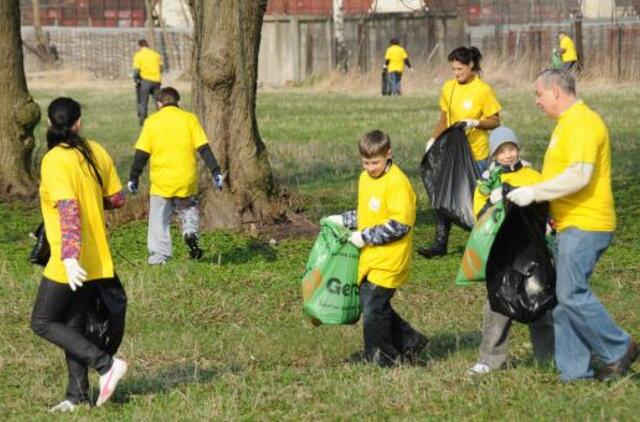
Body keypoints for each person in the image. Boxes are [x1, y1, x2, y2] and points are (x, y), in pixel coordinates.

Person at [507, 69, 637, 381]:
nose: (537, 102)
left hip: (587, 223)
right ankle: (575, 373)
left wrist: (535, 193)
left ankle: (619, 348)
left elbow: (579, 176)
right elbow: (563, 177)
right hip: (569, 222)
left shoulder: (582, 123)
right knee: (565, 301)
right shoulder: (567, 125)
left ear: (555, 92)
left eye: (538, 94)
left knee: (572, 294)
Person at [31, 97, 128, 412]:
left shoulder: (54, 160)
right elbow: (116, 199)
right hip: (96, 257)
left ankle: (105, 365)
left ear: (50, 123)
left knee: (43, 321)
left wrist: (69, 257)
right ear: (79, 122)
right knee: (71, 323)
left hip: (69, 260)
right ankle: (76, 396)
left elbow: (69, 210)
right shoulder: (95, 151)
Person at [326, 130, 427, 367]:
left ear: (388, 154)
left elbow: (401, 225)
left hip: (390, 260)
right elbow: (368, 213)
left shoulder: (398, 183)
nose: (371, 167)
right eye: (366, 162)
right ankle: (410, 341)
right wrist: (344, 220)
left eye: (376, 162)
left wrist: (365, 237)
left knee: (373, 308)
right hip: (369, 258)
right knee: (374, 306)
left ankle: (382, 356)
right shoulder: (365, 178)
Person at [466, 126, 554, 375]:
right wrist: (492, 202)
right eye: (502, 151)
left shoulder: (533, 176)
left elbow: (546, 205)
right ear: (493, 155)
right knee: (498, 303)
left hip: (532, 249)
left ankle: (547, 357)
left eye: (511, 148)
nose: (508, 154)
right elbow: (479, 218)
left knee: (539, 299)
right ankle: (490, 359)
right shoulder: (487, 182)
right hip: (503, 252)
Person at [418, 46, 501, 259]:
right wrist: (433, 140)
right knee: (442, 195)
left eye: (460, 69)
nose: (456, 73)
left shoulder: (483, 90)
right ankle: (440, 244)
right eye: (453, 69)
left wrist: (476, 122)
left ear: (471, 65)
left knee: (479, 200)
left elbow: (495, 120)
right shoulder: (448, 88)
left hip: (476, 155)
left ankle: (487, 246)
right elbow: (444, 119)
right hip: (452, 153)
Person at [127, 87, 224, 265]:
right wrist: (216, 171)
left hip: (161, 182)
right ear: (177, 102)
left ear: (159, 103)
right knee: (188, 207)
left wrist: (133, 177)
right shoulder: (189, 119)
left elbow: (141, 153)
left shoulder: (152, 122)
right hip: (185, 179)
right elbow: (204, 148)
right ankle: (189, 229)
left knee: (159, 219)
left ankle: (159, 255)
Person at [132, 39, 162, 125]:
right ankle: (162, 116)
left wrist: (136, 79)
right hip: (156, 81)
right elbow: (161, 68)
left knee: (143, 101)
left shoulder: (138, 55)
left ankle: (143, 119)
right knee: (158, 101)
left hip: (145, 81)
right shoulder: (156, 55)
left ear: (139, 46)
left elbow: (136, 71)